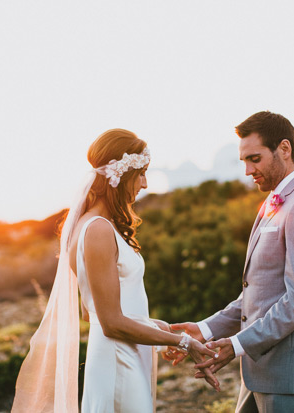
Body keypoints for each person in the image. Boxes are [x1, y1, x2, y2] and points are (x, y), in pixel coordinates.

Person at [12, 128, 218, 413]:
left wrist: (159, 328)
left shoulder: (90, 226)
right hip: (117, 359)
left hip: (124, 353)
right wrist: (182, 342)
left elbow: (94, 312)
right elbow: (110, 322)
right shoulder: (97, 230)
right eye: (142, 173)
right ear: (119, 175)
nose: (145, 184)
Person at [172, 111, 294, 412]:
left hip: (290, 377)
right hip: (260, 375)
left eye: (255, 159)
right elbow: (258, 292)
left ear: (284, 149)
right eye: (244, 161)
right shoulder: (274, 203)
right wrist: (206, 329)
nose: (248, 170)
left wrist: (237, 345)